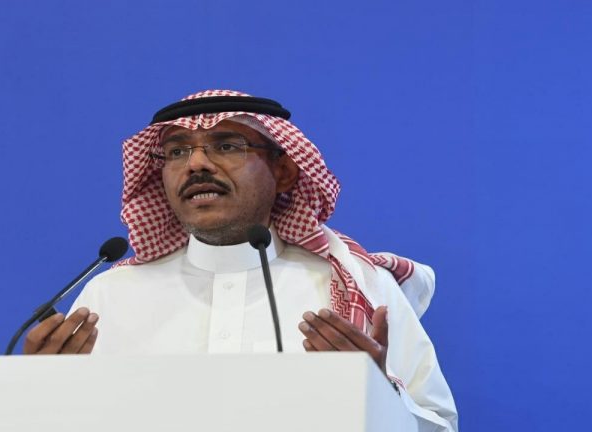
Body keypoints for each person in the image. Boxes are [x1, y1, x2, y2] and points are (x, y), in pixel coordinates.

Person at [24, 89, 458, 431]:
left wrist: (380, 395)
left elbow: (439, 426)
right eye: (177, 151)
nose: (196, 164)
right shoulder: (110, 297)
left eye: (227, 145)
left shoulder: (356, 287)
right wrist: (40, 396)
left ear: (284, 171)